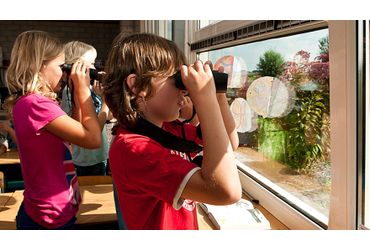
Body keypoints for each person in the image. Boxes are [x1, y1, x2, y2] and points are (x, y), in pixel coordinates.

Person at [103, 33, 241, 230]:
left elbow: (229, 142)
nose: (184, 90)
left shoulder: (168, 131)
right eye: (176, 80)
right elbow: (227, 192)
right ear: (138, 85)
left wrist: (217, 95)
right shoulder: (132, 148)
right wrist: (205, 99)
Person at [5, 30, 102, 229]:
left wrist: (76, 96)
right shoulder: (35, 104)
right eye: (61, 66)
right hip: (49, 214)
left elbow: (76, 136)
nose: (64, 72)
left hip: (53, 207)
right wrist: (84, 90)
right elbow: (93, 140)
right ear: (40, 65)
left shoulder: (33, 103)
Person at [60, 41, 110, 176]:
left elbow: (107, 118)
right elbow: (94, 128)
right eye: (91, 64)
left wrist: (103, 96)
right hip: (85, 160)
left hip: (100, 155)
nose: (95, 68)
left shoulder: (90, 89)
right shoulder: (70, 91)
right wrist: (106, 103)